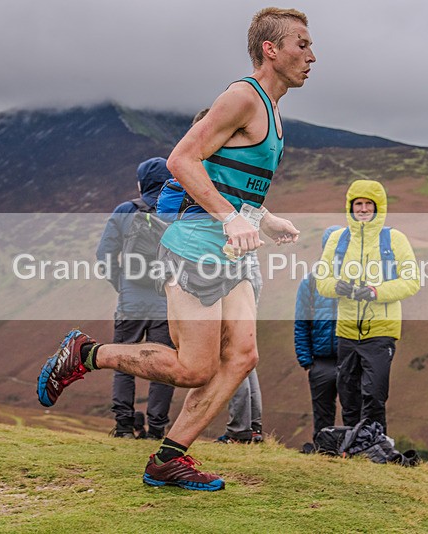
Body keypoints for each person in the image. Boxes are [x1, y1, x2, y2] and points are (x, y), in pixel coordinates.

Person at [37, 7, 314, 491]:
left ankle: (169, 457)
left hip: (232, 250)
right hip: (197, 244)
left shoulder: (272, 109)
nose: (312, 56)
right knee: (194, 367)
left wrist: (263, 220)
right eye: (302, 45)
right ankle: (86, 353)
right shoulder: (242, 97)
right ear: (271, 50)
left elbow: (235, 183)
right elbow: (181, 160)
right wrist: (230, 220)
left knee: (243, 356)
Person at [315, 180, 420, 434]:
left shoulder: (394, 239)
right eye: (357, 204)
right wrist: (336, 286)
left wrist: (376, 292)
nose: (362, 209)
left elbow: (412, 281)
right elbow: (322, 279)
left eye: (368, 204)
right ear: (350, 207)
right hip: (347, 330)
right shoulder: (338, 239)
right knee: (348, 395)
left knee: (374, 395)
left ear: (378, 207)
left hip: (381, 330)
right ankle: (353, 448)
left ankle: (374, 446)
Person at [96, 157, 175, 440]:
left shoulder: (125, 210)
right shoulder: (179, 211)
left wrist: (123, 284)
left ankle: (123, 427)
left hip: (131, 300)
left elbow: (104, 255)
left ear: (142, 183)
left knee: (122, 361)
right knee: (163, 367)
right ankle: (156, 430)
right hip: (167, 301)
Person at [294, 225, 342, 442]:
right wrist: (307, 361)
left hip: (349, 358)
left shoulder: (356, 280)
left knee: (354, 410)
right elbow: (301, 323)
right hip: (320, 362)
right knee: (322, 415)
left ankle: (354, 452)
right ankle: (323, 450)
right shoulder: (311, 282)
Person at [217, 254, 264, 444]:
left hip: (231, 273)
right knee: (243, 354)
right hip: (249, 272)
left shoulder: (227, 224)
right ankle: (253, 428)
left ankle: (239, 430)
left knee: (232, 355)